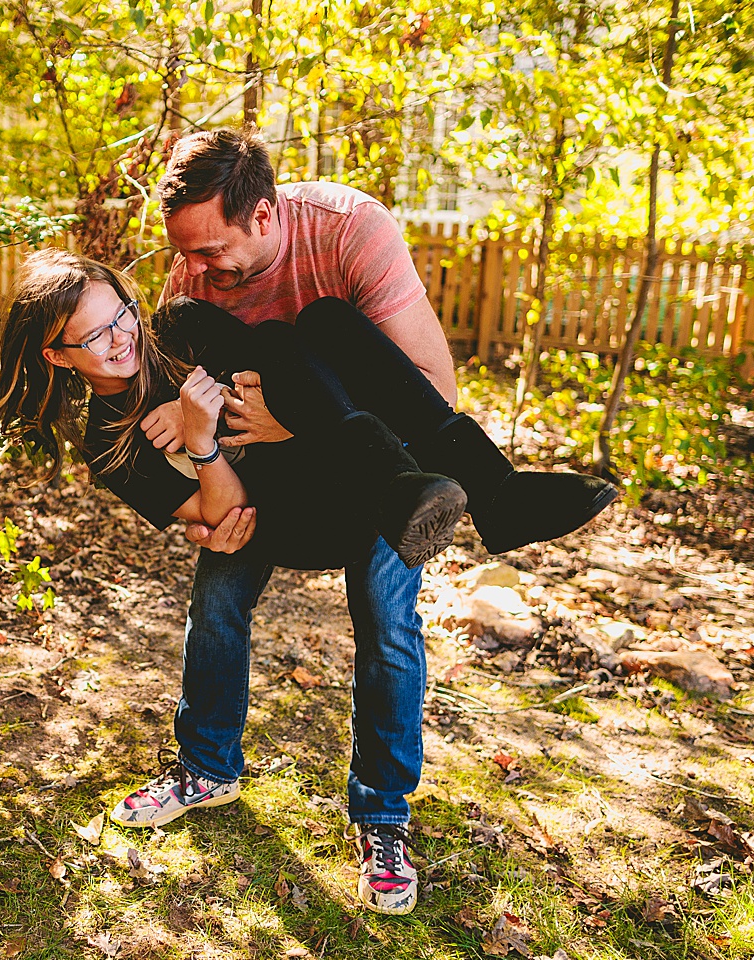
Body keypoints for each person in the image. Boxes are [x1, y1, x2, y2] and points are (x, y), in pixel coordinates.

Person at [102, 128, 617, 916]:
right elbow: (189, 413)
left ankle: (382, 816)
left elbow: (432, 388)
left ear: (266, 216)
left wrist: (289, 420)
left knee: (385, 612)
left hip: (389, 473)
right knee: (217, 601)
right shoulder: (192, 280)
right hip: (271, 476)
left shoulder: (350, 230)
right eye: (188, 255)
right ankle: (205, 767)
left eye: (213, 251)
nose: (199, 272)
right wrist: (198, 424)